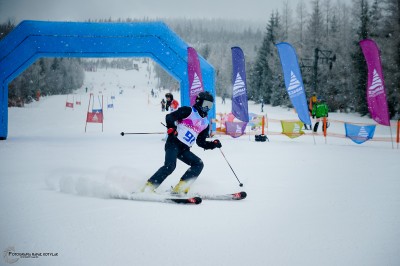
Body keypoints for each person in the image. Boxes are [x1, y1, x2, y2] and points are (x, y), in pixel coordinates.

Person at [141, 91, 222, 195]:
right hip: (173, 143)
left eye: (209, 105)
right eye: (205, 104)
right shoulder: (188, 111)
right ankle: (148, 187)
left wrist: (213, 144)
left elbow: (201, 142)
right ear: (199, 102)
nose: (207, 108)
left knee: (198, 164)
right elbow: (170, 117)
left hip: (184, 149)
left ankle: (180, 188)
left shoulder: (205, 123)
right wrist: (172, 128)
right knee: (170, 166)